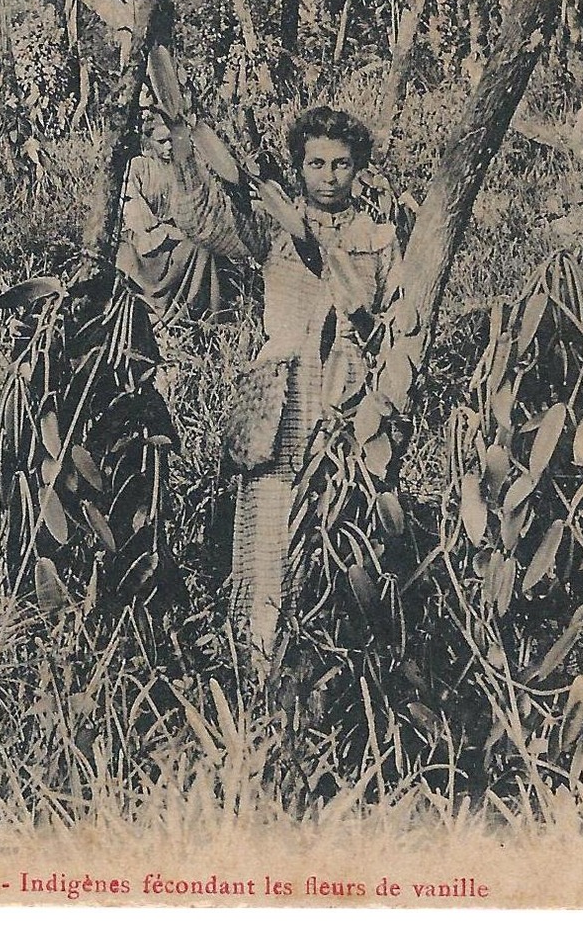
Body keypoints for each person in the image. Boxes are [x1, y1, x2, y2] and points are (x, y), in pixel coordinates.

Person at [153, 80, 403, 668]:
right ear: (299, 165)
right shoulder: (270, 228)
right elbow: (204, 218)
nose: (328, 176)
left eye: (342, 164)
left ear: (359, 169)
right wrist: (186, 139)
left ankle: (334, 649)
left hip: (347, 391)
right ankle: (260, 653)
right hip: (282, 392)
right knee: (269, 516)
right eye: (316, 162)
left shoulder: (380, 238)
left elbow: (392, 319)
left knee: (339, 518)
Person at [116, 112, 241, 323]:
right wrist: (160, 232)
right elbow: (135, 212)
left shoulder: (181, 169)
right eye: (161, 141)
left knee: (203, 249)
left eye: (171, 141)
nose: (168, 147)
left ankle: (205, 316)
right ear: (150, 142)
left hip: (178, 236)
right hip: (147, 241)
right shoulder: (138, 166)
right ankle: (160, 315)